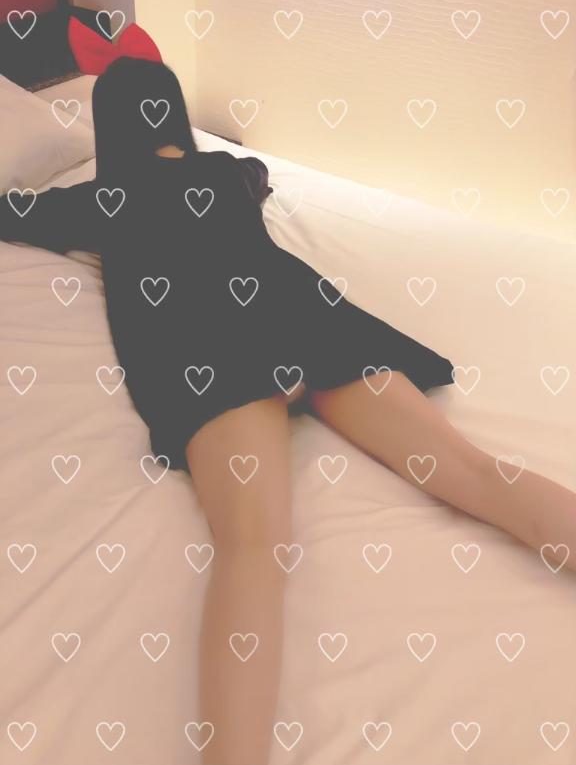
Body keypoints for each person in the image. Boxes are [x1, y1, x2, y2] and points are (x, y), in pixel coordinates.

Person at [1, 57, 575, 765]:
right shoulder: (230, 172)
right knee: (476, 472)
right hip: (302, 313)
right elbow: (258, 176)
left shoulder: (104, 196)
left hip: (211, 341)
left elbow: (15, 213)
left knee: (254, 547)